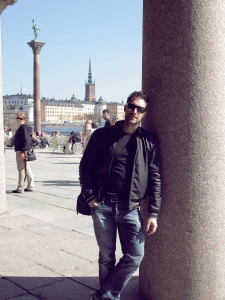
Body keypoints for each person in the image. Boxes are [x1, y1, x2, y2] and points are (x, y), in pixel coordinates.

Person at [79, 91, 162, 300]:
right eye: (131, 106)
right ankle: (108, 298)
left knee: (135, 255)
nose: (134, 111)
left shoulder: (149, 141)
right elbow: (85, 167)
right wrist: (89, 196)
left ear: (144, 113)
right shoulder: (102, 135)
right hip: (103, 205)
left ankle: (104, 295)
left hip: (131, 207)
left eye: (139, 109)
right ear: (125, 107)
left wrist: (153, 213)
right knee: (106, 257)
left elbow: (155, 178)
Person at [12, 112, 34, 193]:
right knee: (27, 169)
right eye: (17, 118)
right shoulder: (24, 128)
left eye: (20, 118)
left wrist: (23, 151)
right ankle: (30, 186)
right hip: (22, 150)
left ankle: (20, 188)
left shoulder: (23, 128)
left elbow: (26, 140)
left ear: (24, 120)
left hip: (21, 150)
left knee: (21, 169)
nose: (18, 120)